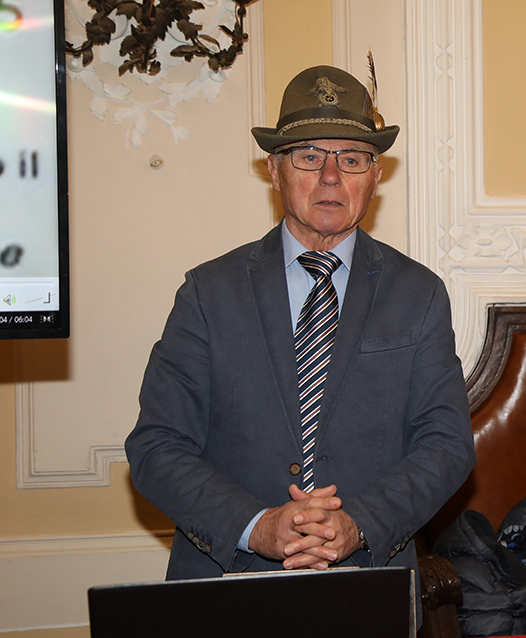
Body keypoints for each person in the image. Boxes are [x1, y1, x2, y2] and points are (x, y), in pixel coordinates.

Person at [126, 65, 476, 584]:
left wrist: (359, 525)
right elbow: (157, 445)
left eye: (352, 159)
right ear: (274, 170)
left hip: (368, 580)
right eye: (309, 156)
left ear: (376, 176)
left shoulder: (419, 294)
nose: (330, 177)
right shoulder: (207, 292)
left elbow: (446, 445)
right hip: (226, 583)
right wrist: (256, 526)